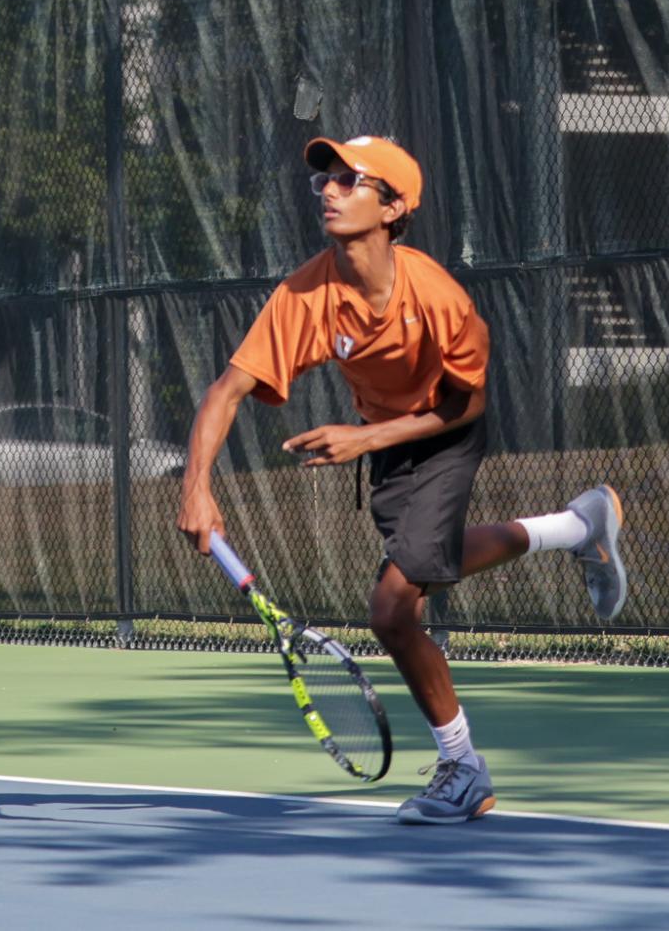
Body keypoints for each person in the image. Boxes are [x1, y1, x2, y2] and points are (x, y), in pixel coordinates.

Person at [175, 134, 627, 825]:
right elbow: (227, 390)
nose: (327, 190)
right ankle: (574, 526)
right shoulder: (304, 295)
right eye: (322, 180)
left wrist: (366, 437)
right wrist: (195, 488)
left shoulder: (438, 296)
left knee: (392, 609)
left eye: (349, 180)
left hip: (443, 431)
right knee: (429, 568)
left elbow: (466, 403)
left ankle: (462, 768)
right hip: (384, 444)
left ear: (392, 207)